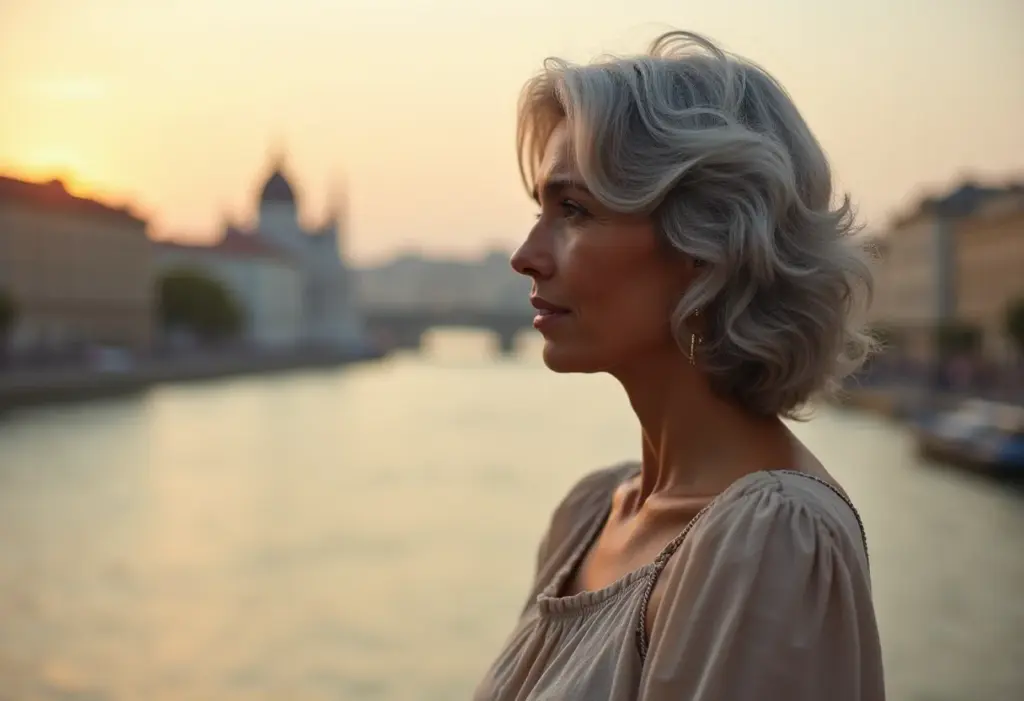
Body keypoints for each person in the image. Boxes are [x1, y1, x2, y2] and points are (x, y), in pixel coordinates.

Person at [473, 30, 886, 701]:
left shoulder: (772, 541)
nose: (526, 255)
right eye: (540, 209)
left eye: (573, 209)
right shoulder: (588, 515)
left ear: (706, 239)